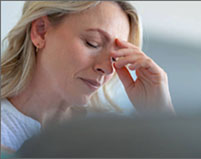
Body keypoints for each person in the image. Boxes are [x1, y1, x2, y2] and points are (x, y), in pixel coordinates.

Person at [1, 1, 175, 154]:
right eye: (93, 43)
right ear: (41, 31)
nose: (107, 69)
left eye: (116, 57)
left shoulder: (109, 133)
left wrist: (160, 113)